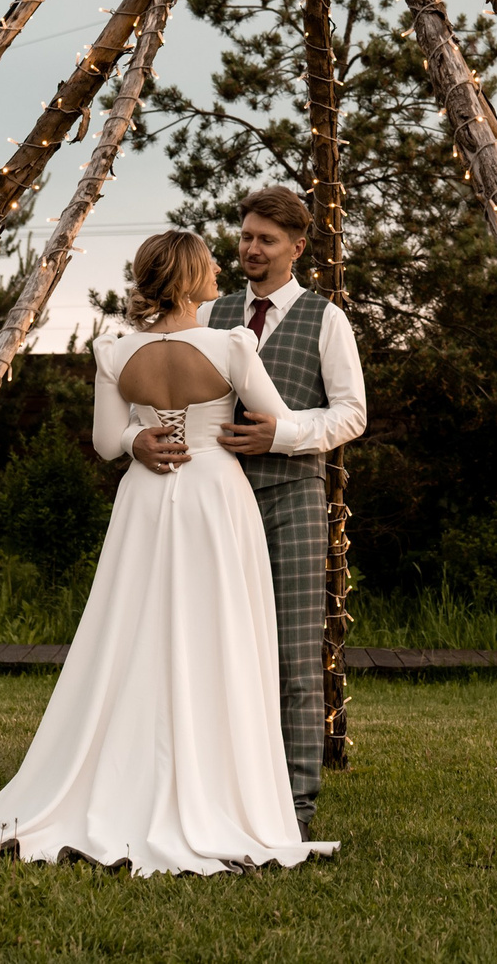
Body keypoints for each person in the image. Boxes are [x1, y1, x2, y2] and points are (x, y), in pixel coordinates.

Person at [0, 230, 337, 875]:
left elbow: (105, 440)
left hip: (146, 497)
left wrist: (143, 438)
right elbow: (272, 419)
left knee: (133, 633)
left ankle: (122, 775)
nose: (218, 274)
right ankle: (224, 789)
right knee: (217, 635)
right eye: (208, 267)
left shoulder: (115, 350)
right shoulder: (232, 345)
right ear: (190, 278)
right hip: (213, 495)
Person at [142, 185, 366, 830]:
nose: (251, 249)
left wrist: (284, 434)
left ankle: (293, 804)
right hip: (212, 504)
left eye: (266, 240)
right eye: (245, 237)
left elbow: (352, 414)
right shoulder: (210, 315)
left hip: (293, 498)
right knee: (212, 647)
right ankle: (212, 789)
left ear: (297, 249)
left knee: (294, 655)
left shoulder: (325, 317)